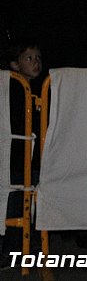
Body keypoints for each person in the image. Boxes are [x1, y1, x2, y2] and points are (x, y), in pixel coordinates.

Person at [2, 41, 44, 268]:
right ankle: (9, 252)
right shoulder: (10, 91)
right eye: (29, 58)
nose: (36, 62)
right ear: (14, 65)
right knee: (15, 206)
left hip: (35, 160)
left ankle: (32, 249)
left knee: (35, 209)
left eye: (38, 57)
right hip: (15, 161)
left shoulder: (43, 88)